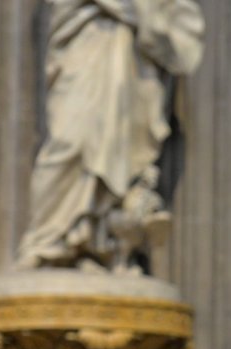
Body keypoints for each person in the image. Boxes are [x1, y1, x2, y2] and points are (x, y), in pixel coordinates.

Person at [14, 0, 205, 271]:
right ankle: (46, 239)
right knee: (71, 140)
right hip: (84, 42)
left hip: (127, 54)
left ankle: (99, 244)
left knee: (119, 143)